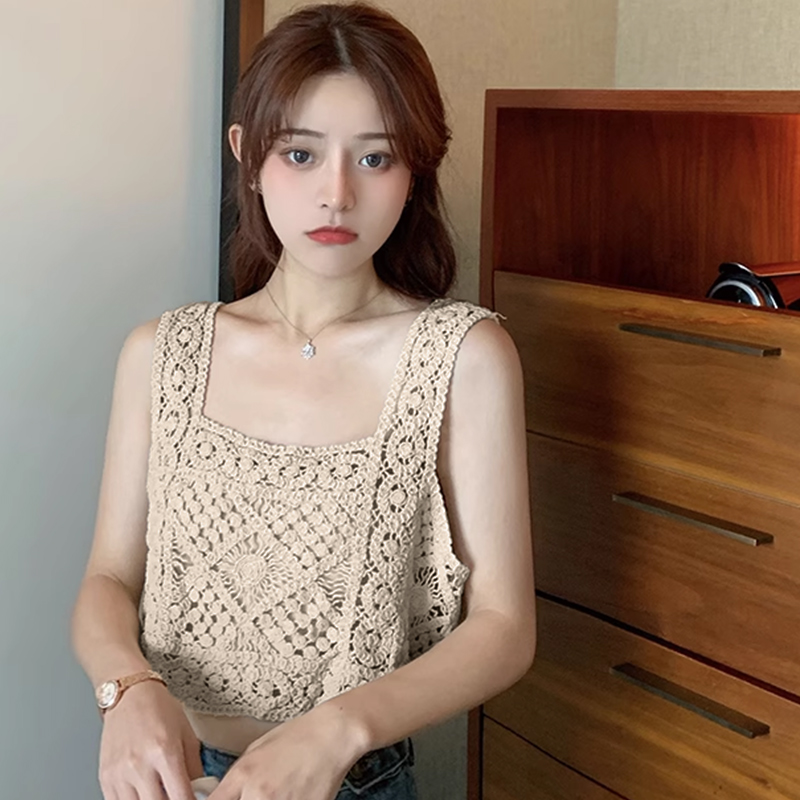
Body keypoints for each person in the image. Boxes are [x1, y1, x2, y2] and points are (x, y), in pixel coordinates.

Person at [71, 3, 536, 799]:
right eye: (300, 152)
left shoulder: (463, 356)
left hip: (355, 781)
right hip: (173, 777)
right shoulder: (162, 353)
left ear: (415, 172)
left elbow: (504, 627)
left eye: (376, 158)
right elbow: (108, 578)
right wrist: (127, 688)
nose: (336, 194)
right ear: (247, 156)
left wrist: (337, 729)